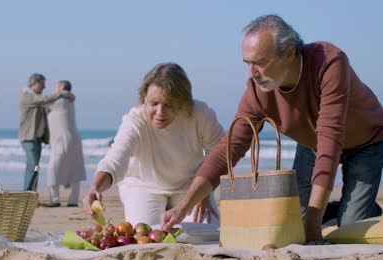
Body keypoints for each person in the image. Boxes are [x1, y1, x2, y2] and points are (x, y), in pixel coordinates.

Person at [161, 15, 383, 244]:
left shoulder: (330, 62)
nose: (252, 73)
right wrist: (183, 206)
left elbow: (331, 137)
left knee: (348, 229)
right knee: (293, 223)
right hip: (313, 144)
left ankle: (364, 211)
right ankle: (345, 208)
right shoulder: (257, 92)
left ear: (288, 53)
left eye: (260, 62)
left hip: (366, 142)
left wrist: (314, 223)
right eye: (248, 63)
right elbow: (228, 150)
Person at [82, 62, 224, 226]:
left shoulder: (201, 113)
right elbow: (115, 159)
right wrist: (95, 189)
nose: (160, 112)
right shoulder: (135, 119)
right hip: (144, 186)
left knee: (205, 231)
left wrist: (204, 192)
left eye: (168, 105)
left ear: (183, 102)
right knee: (146, 234)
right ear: (144, 98)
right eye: (154, 103)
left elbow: (219, 155)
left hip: (190, 186)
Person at [19, 73, 74, 191]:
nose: (44, 87)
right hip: (29, 137)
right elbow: (43, 100)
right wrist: (62, 93)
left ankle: (31, 192)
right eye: (42, 84)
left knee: (35, 166)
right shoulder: (27, 96)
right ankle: (28, 192)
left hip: (37, 138)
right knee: (33, 164)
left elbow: (49, 105)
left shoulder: (36, 98)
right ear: (35, 83)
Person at [42, 80, 86, 207]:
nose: (54, 89)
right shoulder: (67, 100)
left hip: (63, 139)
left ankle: (54, 199)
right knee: (74, 169)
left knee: (53, 169)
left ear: (61, 87)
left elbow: (42, 101)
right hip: (73, 138)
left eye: (56, 86)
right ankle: (72, 200)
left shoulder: (60, 100)